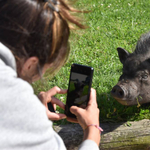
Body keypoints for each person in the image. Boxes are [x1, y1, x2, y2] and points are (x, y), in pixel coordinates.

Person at [0, 0, 101, 149]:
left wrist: (33, 116)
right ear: (31, 64)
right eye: (45, 69)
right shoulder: (17, 102)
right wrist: (92, 130)